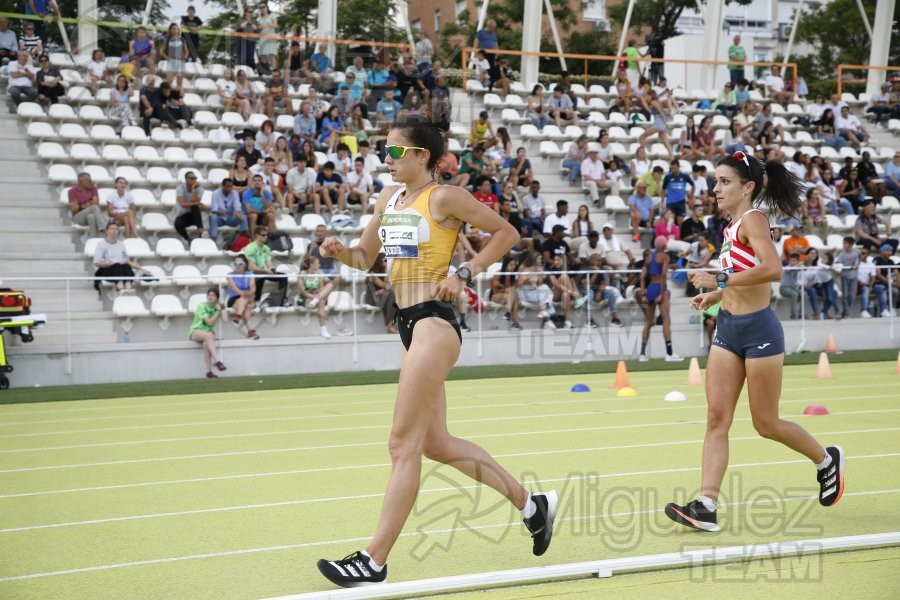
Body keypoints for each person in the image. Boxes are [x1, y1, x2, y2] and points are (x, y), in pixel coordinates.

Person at [315, 115, 558, 587]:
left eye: (394, 151)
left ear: (421, 156)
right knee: (436, 444)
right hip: (407, 324)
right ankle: (532, 505)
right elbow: (366, 259)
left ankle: (373, 560)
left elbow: (506, 233)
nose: (385, 158)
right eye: (383, 150)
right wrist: (338, 250)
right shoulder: (389, 198)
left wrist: (465, 273)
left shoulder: (444, 197)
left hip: (433, 322)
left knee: (401, 445)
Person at [666, 150, 846, 534]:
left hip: (760, 332)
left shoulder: (754, 219)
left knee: (766, 423)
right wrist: (715, 296)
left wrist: (720, 281)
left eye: (725, 181)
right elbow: (742, 272)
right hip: (728, 328)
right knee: (717, 418)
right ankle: (706, 505)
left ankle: (826, 460)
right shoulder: (730, 227)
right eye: (716, 181)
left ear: (748, 187)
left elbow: (772, 269)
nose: (716, 188)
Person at [637, 235, 683, 362]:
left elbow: (642, 276)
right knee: (666, 319)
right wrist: (662, 293)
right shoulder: (665, 257)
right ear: (664, 246)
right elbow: (663, 275)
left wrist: (643, 293)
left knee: (648, 322)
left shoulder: (649, 257)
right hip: (660, 288)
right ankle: (669, 354)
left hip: (650, 288)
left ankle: (642, 354)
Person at [93, 221, 148, 294]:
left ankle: (128, 287)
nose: (114, 231)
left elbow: (127, 261)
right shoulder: (101, 244)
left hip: (121, 269)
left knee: (126, 265)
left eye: (116, 229)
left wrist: (141, 268)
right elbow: (97, 262)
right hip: (106, 270)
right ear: (107, 231)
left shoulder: (121, 244)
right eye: (112, 229)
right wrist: (112, 263)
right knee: (117, 265)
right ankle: (120, 287)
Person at [244, 226, 288, 307]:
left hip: (264, 271)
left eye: (266, 235)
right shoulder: (250, 248)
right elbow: (251, 267)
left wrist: (271, 270)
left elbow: (269, 263)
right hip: (253, 272)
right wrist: (265, 270)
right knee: (260, 275)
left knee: (283, 276)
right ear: (257, 235)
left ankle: (282, 301)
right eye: (263, 235)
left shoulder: (266, 248)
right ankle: (256, 300)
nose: (266, 237)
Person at [189, 288, 227, 379]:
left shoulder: (217, 307)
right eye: (209, 295)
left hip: (208, 334)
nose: (210, 297)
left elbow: (225, 319)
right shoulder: (202, 306)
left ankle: (209, 372)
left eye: (213, 295)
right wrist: (218, 312)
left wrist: (223, 306)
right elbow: (209, 322)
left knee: (207, 343)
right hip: (196, 332)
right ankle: (218, 361)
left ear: (217, 298)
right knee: (209, 335)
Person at [225, 254, 258, 339]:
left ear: (245, 265)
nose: (237, 265)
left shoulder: (250, 274)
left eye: (240, 263)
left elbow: (253, 289)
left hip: (249, 297)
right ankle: (251, 331)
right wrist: (243, 293)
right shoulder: (229, 275)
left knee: (246, 297)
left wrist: (246, 293)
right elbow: (234, 288)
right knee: (246, 307)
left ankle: (238, 315)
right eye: (235, 263)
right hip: (234, 298)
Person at [364, 253, 398, 334]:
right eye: (385, 260)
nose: (387, 262)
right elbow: (386, 286)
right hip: (372, 298)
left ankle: (390, 325)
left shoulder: (384, 272)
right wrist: (384, 290)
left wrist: (382, 291)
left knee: (392, 295)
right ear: (378, 261)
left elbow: (389, 287)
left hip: (382, 296)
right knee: (391, 295)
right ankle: (389, 326)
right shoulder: (373, 273)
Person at [209, 178, 249, 246]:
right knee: (213, 217)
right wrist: (218, 212)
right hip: (219, 218)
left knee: (243, 217)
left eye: (231, 186)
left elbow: (237, 204)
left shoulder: (235, 193)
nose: (229, 188)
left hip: (230, 218)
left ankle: (243, 240)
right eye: (228, 186)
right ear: (223, 186)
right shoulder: (215, 193)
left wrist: (238, 212)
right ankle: (213, 240)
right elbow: (214, 208)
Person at [174, 171, 207, 241]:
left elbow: (195, 202)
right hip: (183, 215)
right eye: (192, 178)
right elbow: (183, 204)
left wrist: (193, 190)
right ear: (186, 179)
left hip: (194, 215)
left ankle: (200, 230)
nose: (194, 180)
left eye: (195, 178)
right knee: (177, 224)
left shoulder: (200, 189)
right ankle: (188, 238)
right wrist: (197, 203)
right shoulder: (180, 188)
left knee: (195, 207)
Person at [68, 172, 103, 238]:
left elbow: (96, 203)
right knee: (94, 208)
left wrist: (82, 205)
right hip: (78, 217)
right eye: (89, 181)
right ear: (81, 181)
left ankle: (93, 240)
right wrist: (89, 203)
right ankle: (104, 229)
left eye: (91, 180)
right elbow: (75, 209)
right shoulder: (72, 191)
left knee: (91, 217)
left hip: (89, 213)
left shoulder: (93, 188)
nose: (91, 182)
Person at [160, 23, 186, 90]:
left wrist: (185, 57)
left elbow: (186, 50)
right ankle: (166, 97)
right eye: (174, 28)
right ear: (170, 30)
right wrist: (166, 57)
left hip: (180, 62)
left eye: (177, 28)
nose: (175, 30)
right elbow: (161, 51)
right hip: (171, 61)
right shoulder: (167, 39)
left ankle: (178, 98)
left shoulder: (182, 39)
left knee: (179, 82)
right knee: (169, 81)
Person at [256, 2, 279, 73]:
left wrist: (268, 24)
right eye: (260, 7)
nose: (262, 9)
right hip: (262, 37)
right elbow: (257, 28)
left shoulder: (272, 16)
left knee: (272, 54)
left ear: (267, 8)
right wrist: (259, 27)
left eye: (263, 7)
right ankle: (264, 71)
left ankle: (275, 71)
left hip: (271, 36)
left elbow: (276, 25)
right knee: (263, 55)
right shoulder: (258, 19)